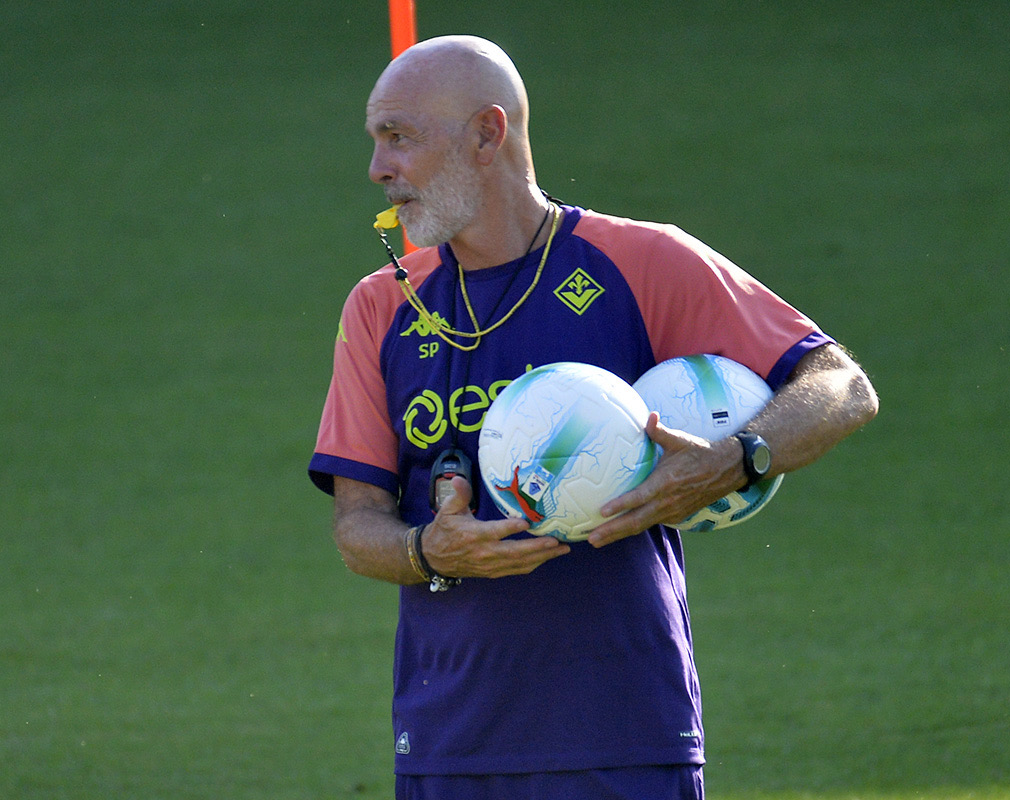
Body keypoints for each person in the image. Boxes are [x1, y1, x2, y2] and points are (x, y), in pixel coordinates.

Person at [309, 34, 878, 800]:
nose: (378, 169)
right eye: (376, 141)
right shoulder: (381, 306)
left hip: (629, 733)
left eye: (398, 137)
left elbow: (840, 385)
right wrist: (430, 551)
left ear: (487, 132)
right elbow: (357, 530)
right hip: (450, 743)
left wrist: (737, 459)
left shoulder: (641, 263)